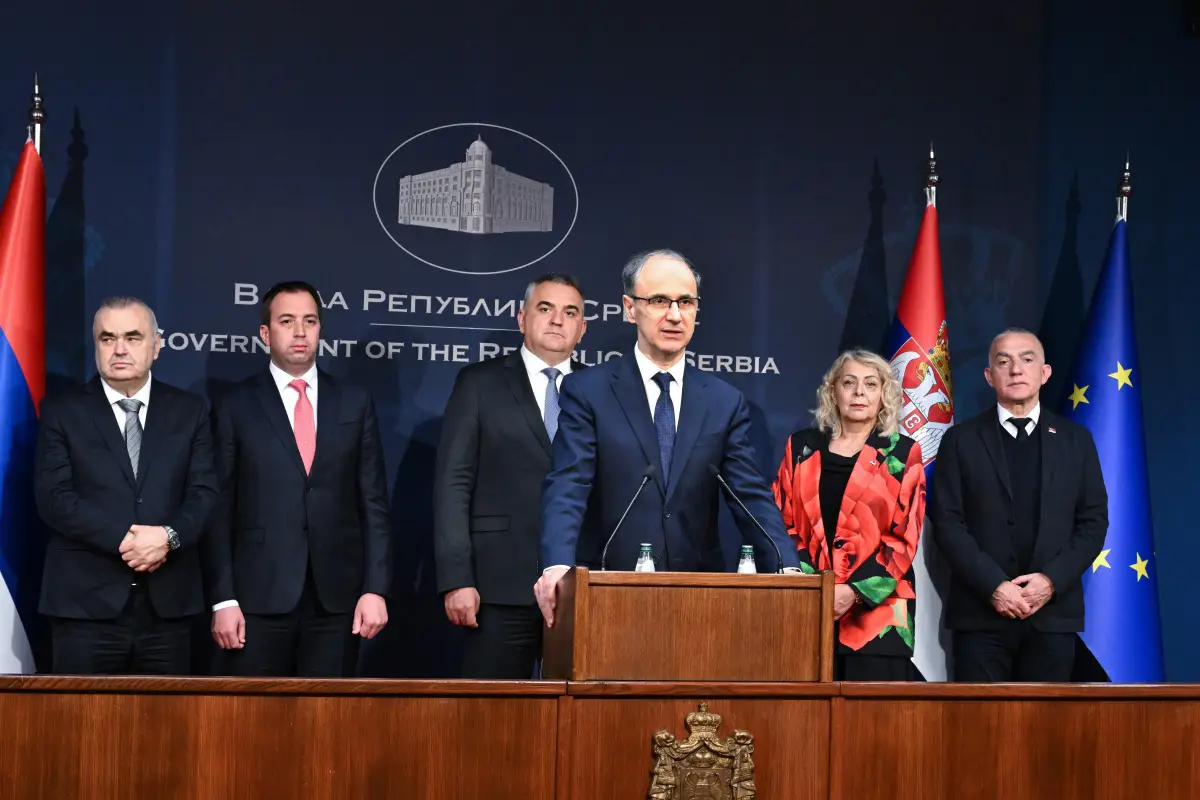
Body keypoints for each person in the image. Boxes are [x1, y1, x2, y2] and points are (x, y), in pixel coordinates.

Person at [534, 249, 801, 626]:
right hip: (606, 590)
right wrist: (557, 566)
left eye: (686, 302)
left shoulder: (724, 402)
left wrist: (787, 567)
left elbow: (750, 496)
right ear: (630, 308)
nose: (675, 315)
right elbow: (569, 484)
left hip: (698, 595)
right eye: (659, 301)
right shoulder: (588, 391)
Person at [202, 281, 392, 677]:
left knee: (327, 714)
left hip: (337, 600)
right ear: (265, 333)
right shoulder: (235, 405)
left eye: (310, 321)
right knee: (254, 712)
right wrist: (223, 599)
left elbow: (373, 502)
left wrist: (375, 588)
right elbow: (218, 509)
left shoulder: (354, 401)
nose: (300, 332)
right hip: (257, 598)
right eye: (287, 321)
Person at [35, 296, 218, 674]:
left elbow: (204, 494)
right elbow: (54, 498)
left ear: (157, 345)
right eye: (108, 338)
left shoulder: (189, 410)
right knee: (83, 715)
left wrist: (167, 537)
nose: (119, 349)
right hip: (84, 607)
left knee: (165, 714)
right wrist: (128, 540)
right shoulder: (62, 410)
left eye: (133, 337)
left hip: (169, 607)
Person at [434, 273, 590, 677]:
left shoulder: (601, 390)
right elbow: (453, 484)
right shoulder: (479, 383)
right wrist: (456, 578)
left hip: (581, 584)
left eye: (570, 312)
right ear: (522, 319)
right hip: (497, 584)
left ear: (582, 328)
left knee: (581, 709)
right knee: (494, 710)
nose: (557, 320)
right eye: (545, 308)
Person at [932, 328, 1108, 682]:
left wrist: (1050, 582)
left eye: (1027, 359)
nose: (1016, 370)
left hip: (1052, 617)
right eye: (1004, 362)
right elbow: (947, 523)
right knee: (981, 717)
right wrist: (994, 586)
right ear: (989, 376)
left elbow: (1093, 523)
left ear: (1044, 373)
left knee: (1046, 718)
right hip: (980, 617)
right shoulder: (960, 440)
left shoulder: (1076, 441)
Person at [772, 350, 926, 680]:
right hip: (808, 607)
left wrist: (853, 591)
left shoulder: (903, 452)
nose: (859, 392)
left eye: (870, 384)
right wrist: (818, 587)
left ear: (883, 395)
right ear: (833, 392)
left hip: (878, 617)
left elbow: (903, 538)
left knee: (870, 712)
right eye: (849, 383)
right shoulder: (800, 446)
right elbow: (782, 523)